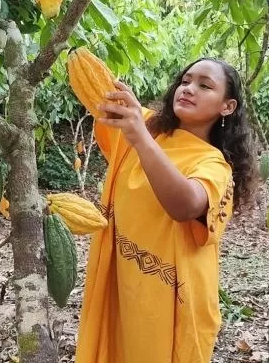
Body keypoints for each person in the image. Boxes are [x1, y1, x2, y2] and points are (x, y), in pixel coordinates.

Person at [75, 58, 258, 363]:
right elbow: (98, 93)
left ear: (227, 107)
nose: (188, 89)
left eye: (204, 85)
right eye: (185, 81)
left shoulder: (212, 164)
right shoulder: (144, 126)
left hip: (171, 302)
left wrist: (140, 137)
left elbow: (185, 206)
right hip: (120, 285)